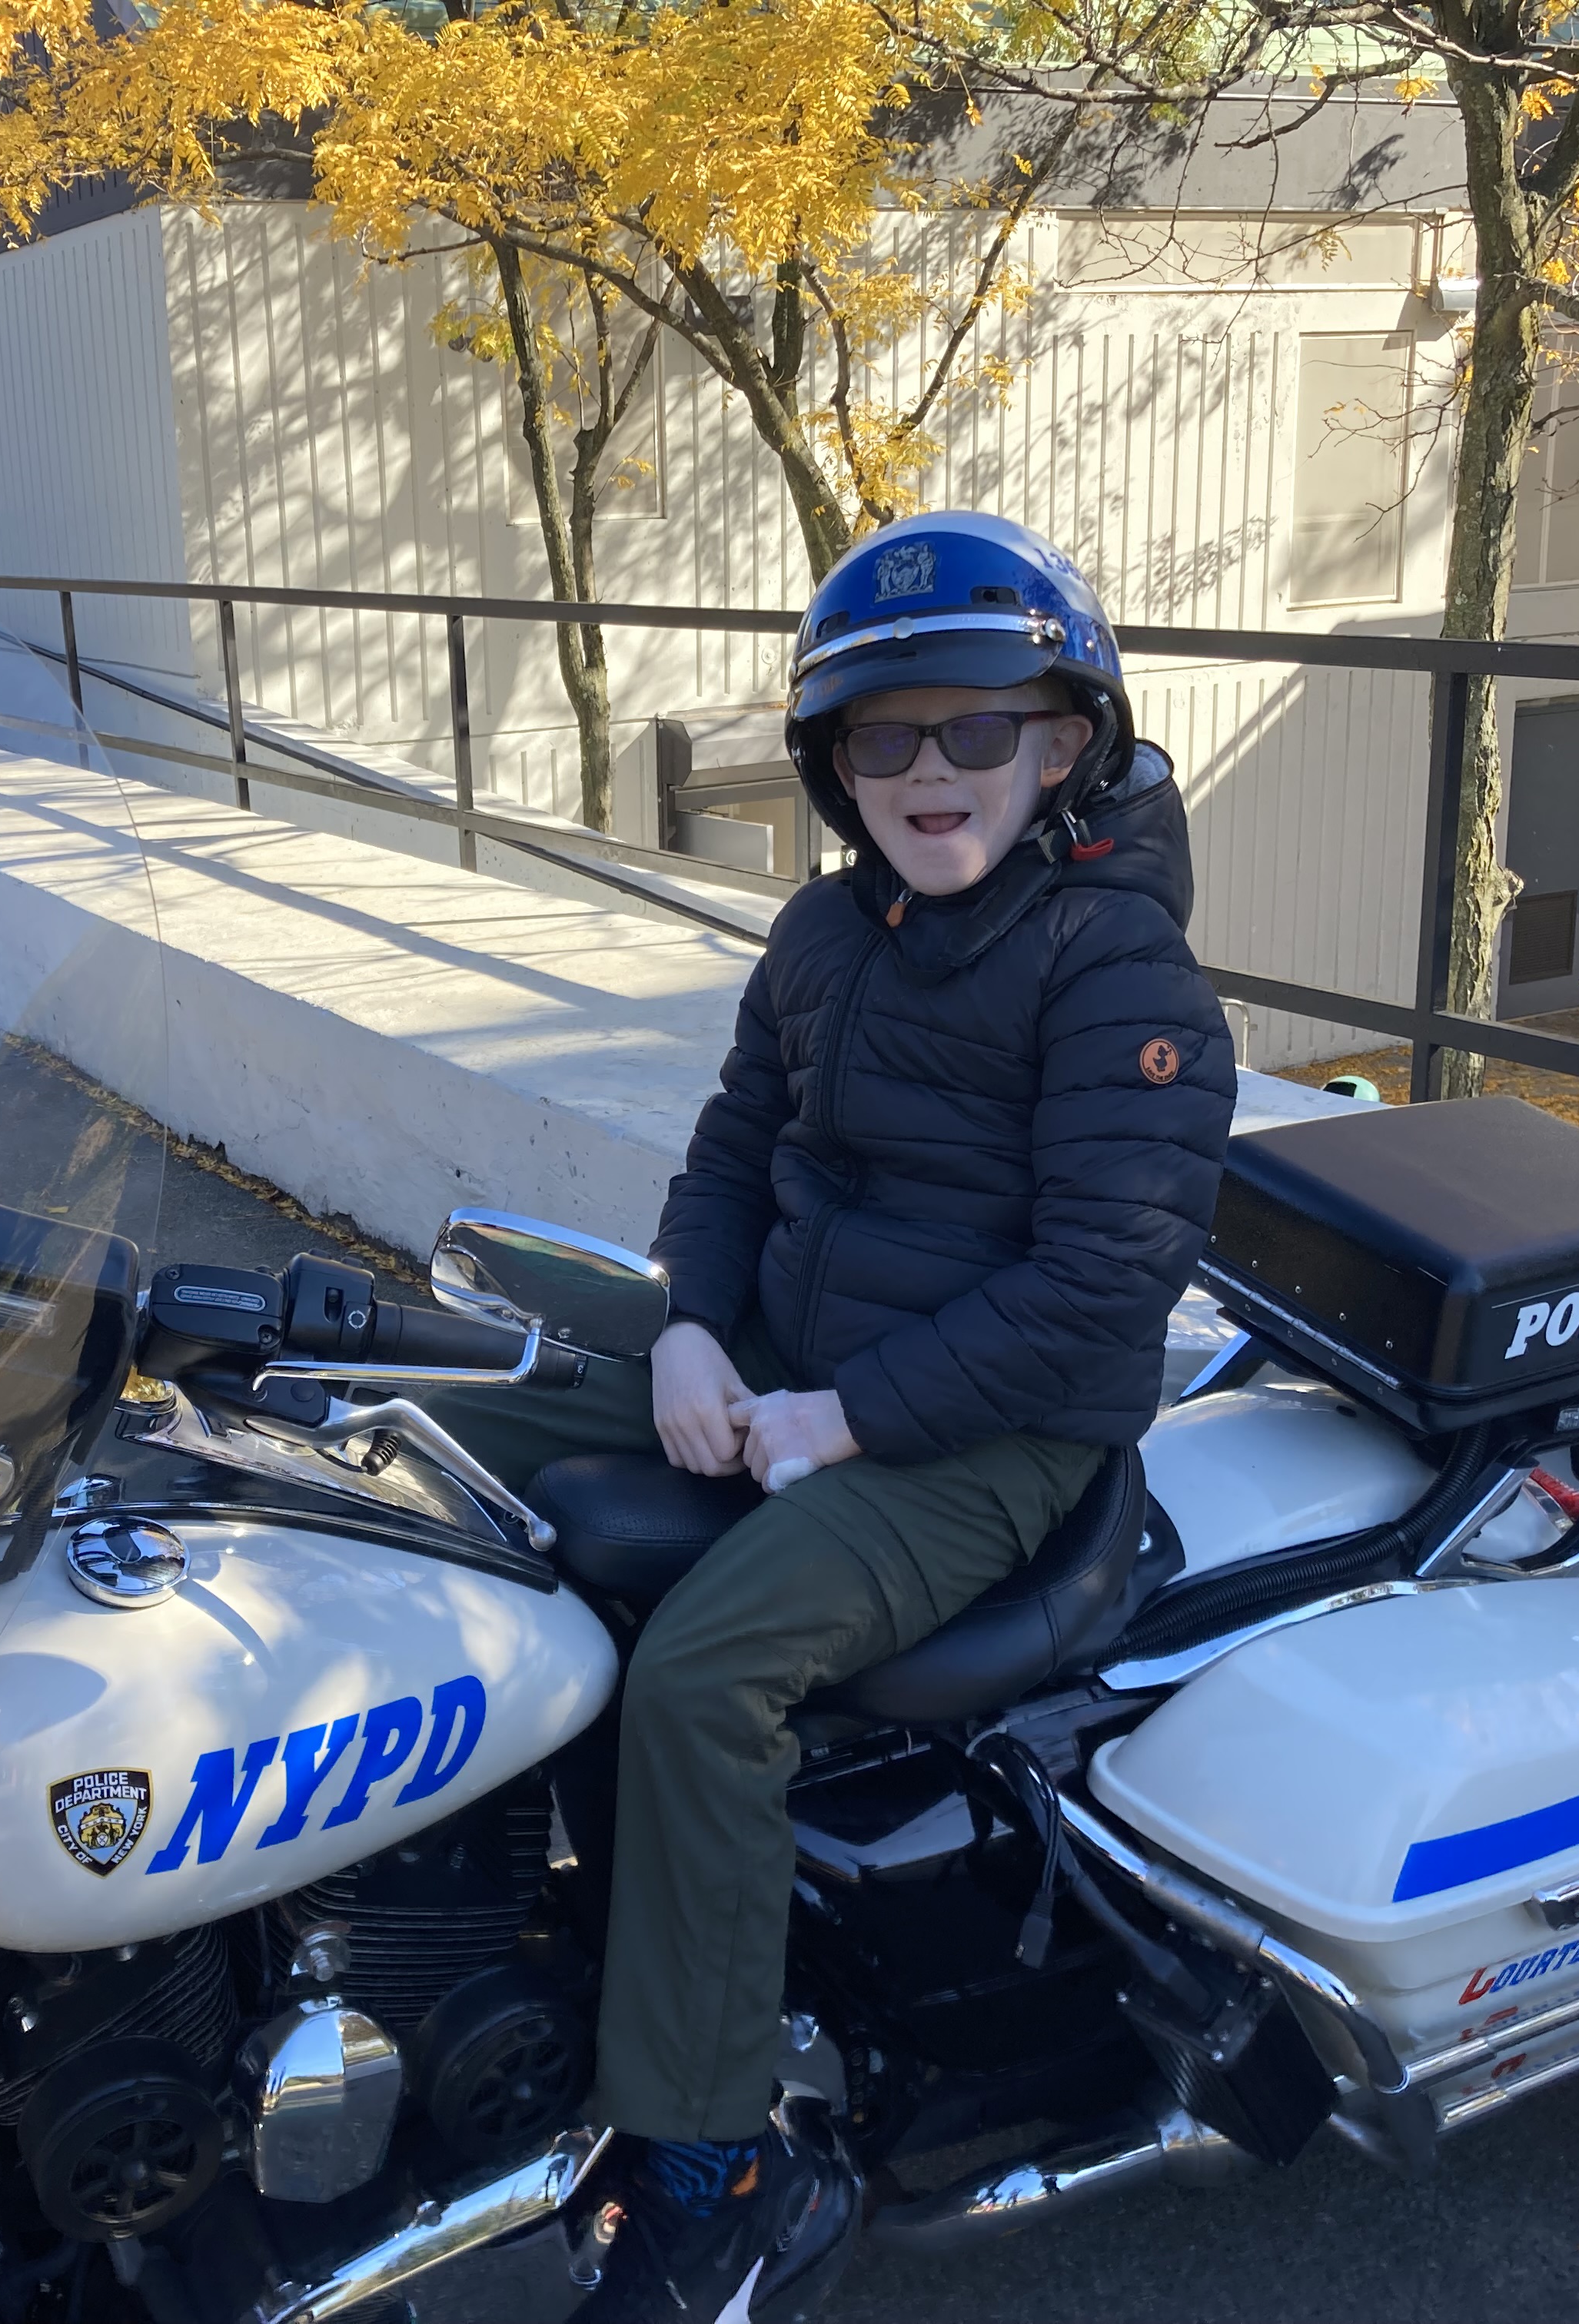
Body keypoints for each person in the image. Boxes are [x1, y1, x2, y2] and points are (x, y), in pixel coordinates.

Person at [427, 513, 1236, 2319]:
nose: (931, 772)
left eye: (975, 729)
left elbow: (1103, 1291)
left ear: (1064, 741)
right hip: (788, 1358)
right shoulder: (822, 929)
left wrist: (842, 1421)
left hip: (990, 1435)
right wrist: (691, 1333)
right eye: (888, 738)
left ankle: (715, 2159)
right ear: (834, 765)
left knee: (708, 1670)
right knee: (438, 1427)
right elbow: (735, 1144)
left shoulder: (1122, 974)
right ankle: (491, 1934)